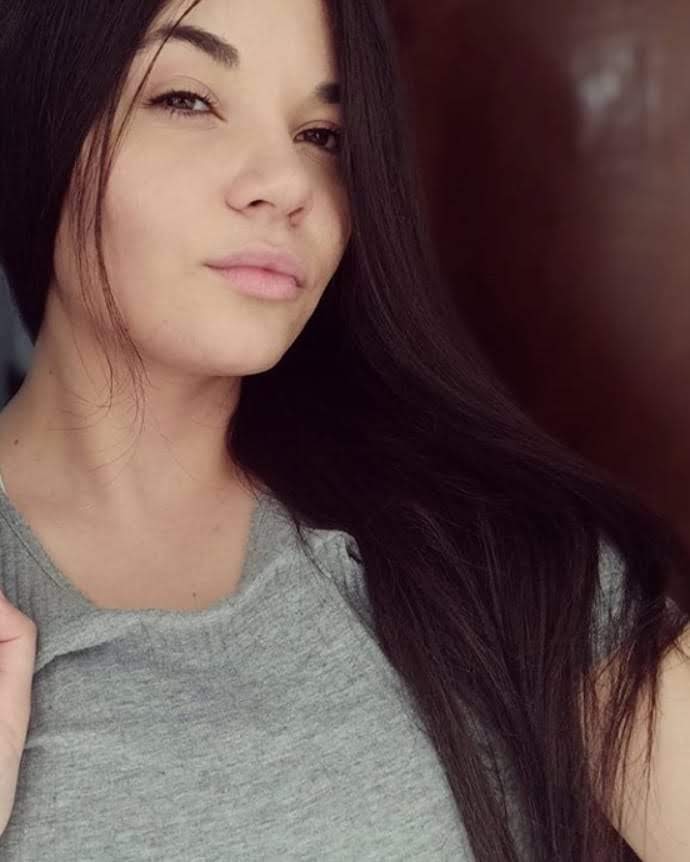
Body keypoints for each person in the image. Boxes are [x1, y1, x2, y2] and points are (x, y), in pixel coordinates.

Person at [0, 1, 687, 859]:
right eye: (187, 100)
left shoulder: (497, 556)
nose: (287, 182)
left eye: (322, 136)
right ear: (45, 120)